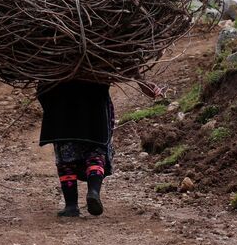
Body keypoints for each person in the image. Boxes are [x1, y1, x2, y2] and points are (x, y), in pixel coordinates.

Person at [37, 76, 162, 217]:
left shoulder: (53, 67)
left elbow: (41, 88)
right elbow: (126, 68)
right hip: (94, 101)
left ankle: (71, 205)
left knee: (66, 157)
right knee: (95, 151)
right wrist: (141, 81)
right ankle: (93, 191)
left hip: (61, 104)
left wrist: (50, 102)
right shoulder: (97, 66)